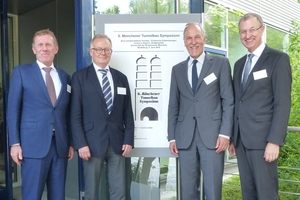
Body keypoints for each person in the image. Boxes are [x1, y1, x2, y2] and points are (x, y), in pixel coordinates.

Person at [228, 13, 292, 200]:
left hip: (264, 143)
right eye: (243, 32)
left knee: (266, 194)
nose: (247, 35)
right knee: (248, 194)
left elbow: (282, 103)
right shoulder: (239, 65)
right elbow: (238, 101)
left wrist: (275, 141)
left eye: (252, 30)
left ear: (262, 29)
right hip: (241, 143)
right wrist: (233, 137)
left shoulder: (277, 59)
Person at [168, 22, 234, 200]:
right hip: (185, 137)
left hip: (213, 137)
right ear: (184, 42)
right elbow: (173, 105)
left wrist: (225, 134)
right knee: (188, 190)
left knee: (213, 188)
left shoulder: (220, 64)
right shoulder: (177, 70)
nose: (193, 41)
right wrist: (172, 137)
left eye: (197, 37)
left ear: (204, 39)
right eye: (189, 38)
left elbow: (228, 101)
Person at [7, 29, 74, 200]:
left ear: (55, 49)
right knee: (32, 195)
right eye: (40, 45)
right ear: (34, 49)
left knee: (58, 195)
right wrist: (14, 143)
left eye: (48, 44)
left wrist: (71, 143)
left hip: (60, 146)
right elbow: (13, 110)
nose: (44, 48)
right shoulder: (22, 72)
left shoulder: (65, 77)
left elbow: (67, 113)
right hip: (32, 146)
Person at [70, 34, 134, 200]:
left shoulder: (121, 78)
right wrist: (80, 144)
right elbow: (75, 115)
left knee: (119, 192)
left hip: (117, 142)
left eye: (107, 49)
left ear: (111, 52)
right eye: (98, 49)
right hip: (91, 144)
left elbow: (128, 112)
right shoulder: (79, 77)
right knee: (91, 192)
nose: (103, 52)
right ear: (91, 51)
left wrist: (128, 139)